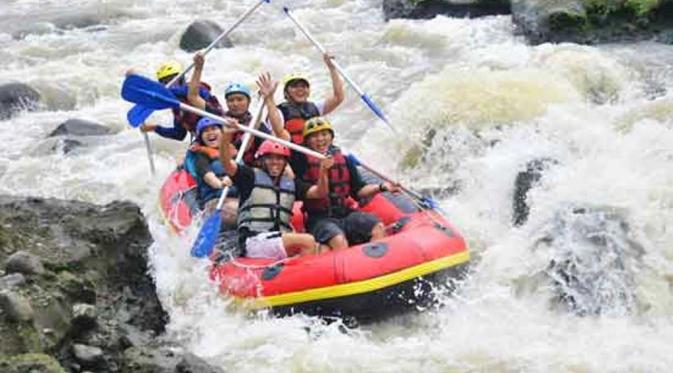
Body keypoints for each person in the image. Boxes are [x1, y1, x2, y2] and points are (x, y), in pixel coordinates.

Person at [220, 124, 334, 260]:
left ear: (285, 162)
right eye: (270, 158)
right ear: (261, 160)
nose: (275, 162)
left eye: (280, 159)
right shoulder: (249, 177)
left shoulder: (290, 183)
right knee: (307, 241)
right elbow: (226, 162)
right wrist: (226, 136)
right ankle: (297, 275)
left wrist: (323, 171)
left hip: (278, 238)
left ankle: (294, 270)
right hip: (255, 240)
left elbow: (319, 192)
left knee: (325, 249)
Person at [297, 117, 401, 250]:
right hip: (319, 219)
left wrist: (382, 187)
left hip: (345, 213)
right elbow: (319, 193)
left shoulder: (344, 159)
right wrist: (323, 171)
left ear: (331, 137)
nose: (320, 139)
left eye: (324, 134)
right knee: (339, 241)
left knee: (377, 228)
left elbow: (359, 190)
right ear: (307, 141)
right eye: (314, 136)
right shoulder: (301, 162)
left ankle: (376, 267)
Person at [188, 53, 271, 166]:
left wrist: (265, 100)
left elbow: (256, 129)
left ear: (248, 101)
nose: (235, 104)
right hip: (216, 165)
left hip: (245, 169)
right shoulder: (218, 116)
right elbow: (193, 97)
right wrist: (198, 68)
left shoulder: (258, 126)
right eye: (231, 100)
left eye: (239, 99)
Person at [269, 53, 344, 145]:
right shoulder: (279, 112)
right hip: (294, 154)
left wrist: (332, 68)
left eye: (304, 86)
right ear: (286, 92)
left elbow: (338, 97)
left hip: (317, 150)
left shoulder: (314, 107)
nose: (300, 89)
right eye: (294, 86)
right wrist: (269, 98)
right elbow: (278, 131)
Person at [139, 61, 223, 142]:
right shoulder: (177, 107)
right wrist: (155, 128)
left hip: (222, 133)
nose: (171, 84)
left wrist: (161, 92)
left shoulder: (197, 89)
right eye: (165, 82)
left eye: (173, 80)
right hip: (203, 140)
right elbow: (179, 134)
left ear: (182, 79)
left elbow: (189, 93)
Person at [190, 117, 238, 228]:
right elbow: (209, 177)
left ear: (222, 133)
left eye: (214, 129)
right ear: (201, 137)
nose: (210, 133)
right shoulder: (201, 157)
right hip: (217, 202)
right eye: (205, 131)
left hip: (238, 199)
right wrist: (221, 184)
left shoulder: (236, 153)